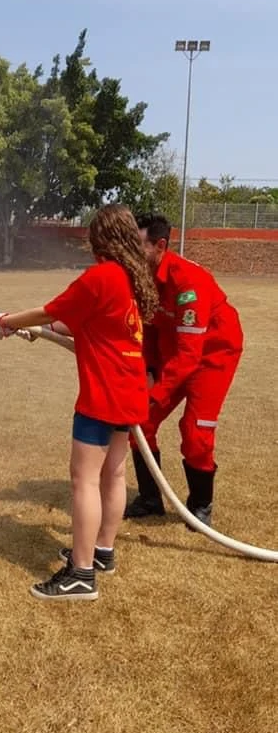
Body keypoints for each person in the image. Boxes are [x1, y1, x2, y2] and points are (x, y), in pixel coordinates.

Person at [0, 205, 158, 602]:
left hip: (103, 396)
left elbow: (52, 310)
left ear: (100, 240)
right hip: (128, 391)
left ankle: (80, 574)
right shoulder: (129, 278)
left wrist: (6, 322)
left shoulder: (101, 276)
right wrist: (36, 330)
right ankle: (101, 552)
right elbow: (73, 325)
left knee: (84, 480)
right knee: (113, 475)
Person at [124, 213, 244, 529]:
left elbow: (190, 357)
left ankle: (200, 505)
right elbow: (149, 330)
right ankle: (150, 499)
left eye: (138, 245)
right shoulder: (141, 277)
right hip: (174, 351)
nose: (131, 252)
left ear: (160, 245)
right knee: (141, 421)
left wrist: (156, 394)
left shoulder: (189, 282)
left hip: (212, 355)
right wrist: (150, 370)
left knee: (195, 431)